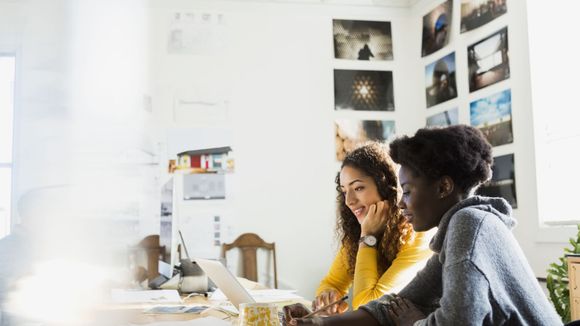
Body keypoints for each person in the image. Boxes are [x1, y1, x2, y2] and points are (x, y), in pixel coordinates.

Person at [285, 125, 562, 325]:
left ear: (443, 187)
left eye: (406, 191)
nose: (401, 202)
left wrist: (414, 322)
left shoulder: (469, 225)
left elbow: (455, 323)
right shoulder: (457, 229)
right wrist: (317, 324)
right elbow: (395, 305)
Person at [313, 142, 433, 315]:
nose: (349, 201)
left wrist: (368, 237)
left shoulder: (418, 233)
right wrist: (327, 296)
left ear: (385, 188)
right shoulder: (358, 232)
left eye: (358, 188)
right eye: (345, 191)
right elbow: (332, 282)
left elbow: (368, 306)